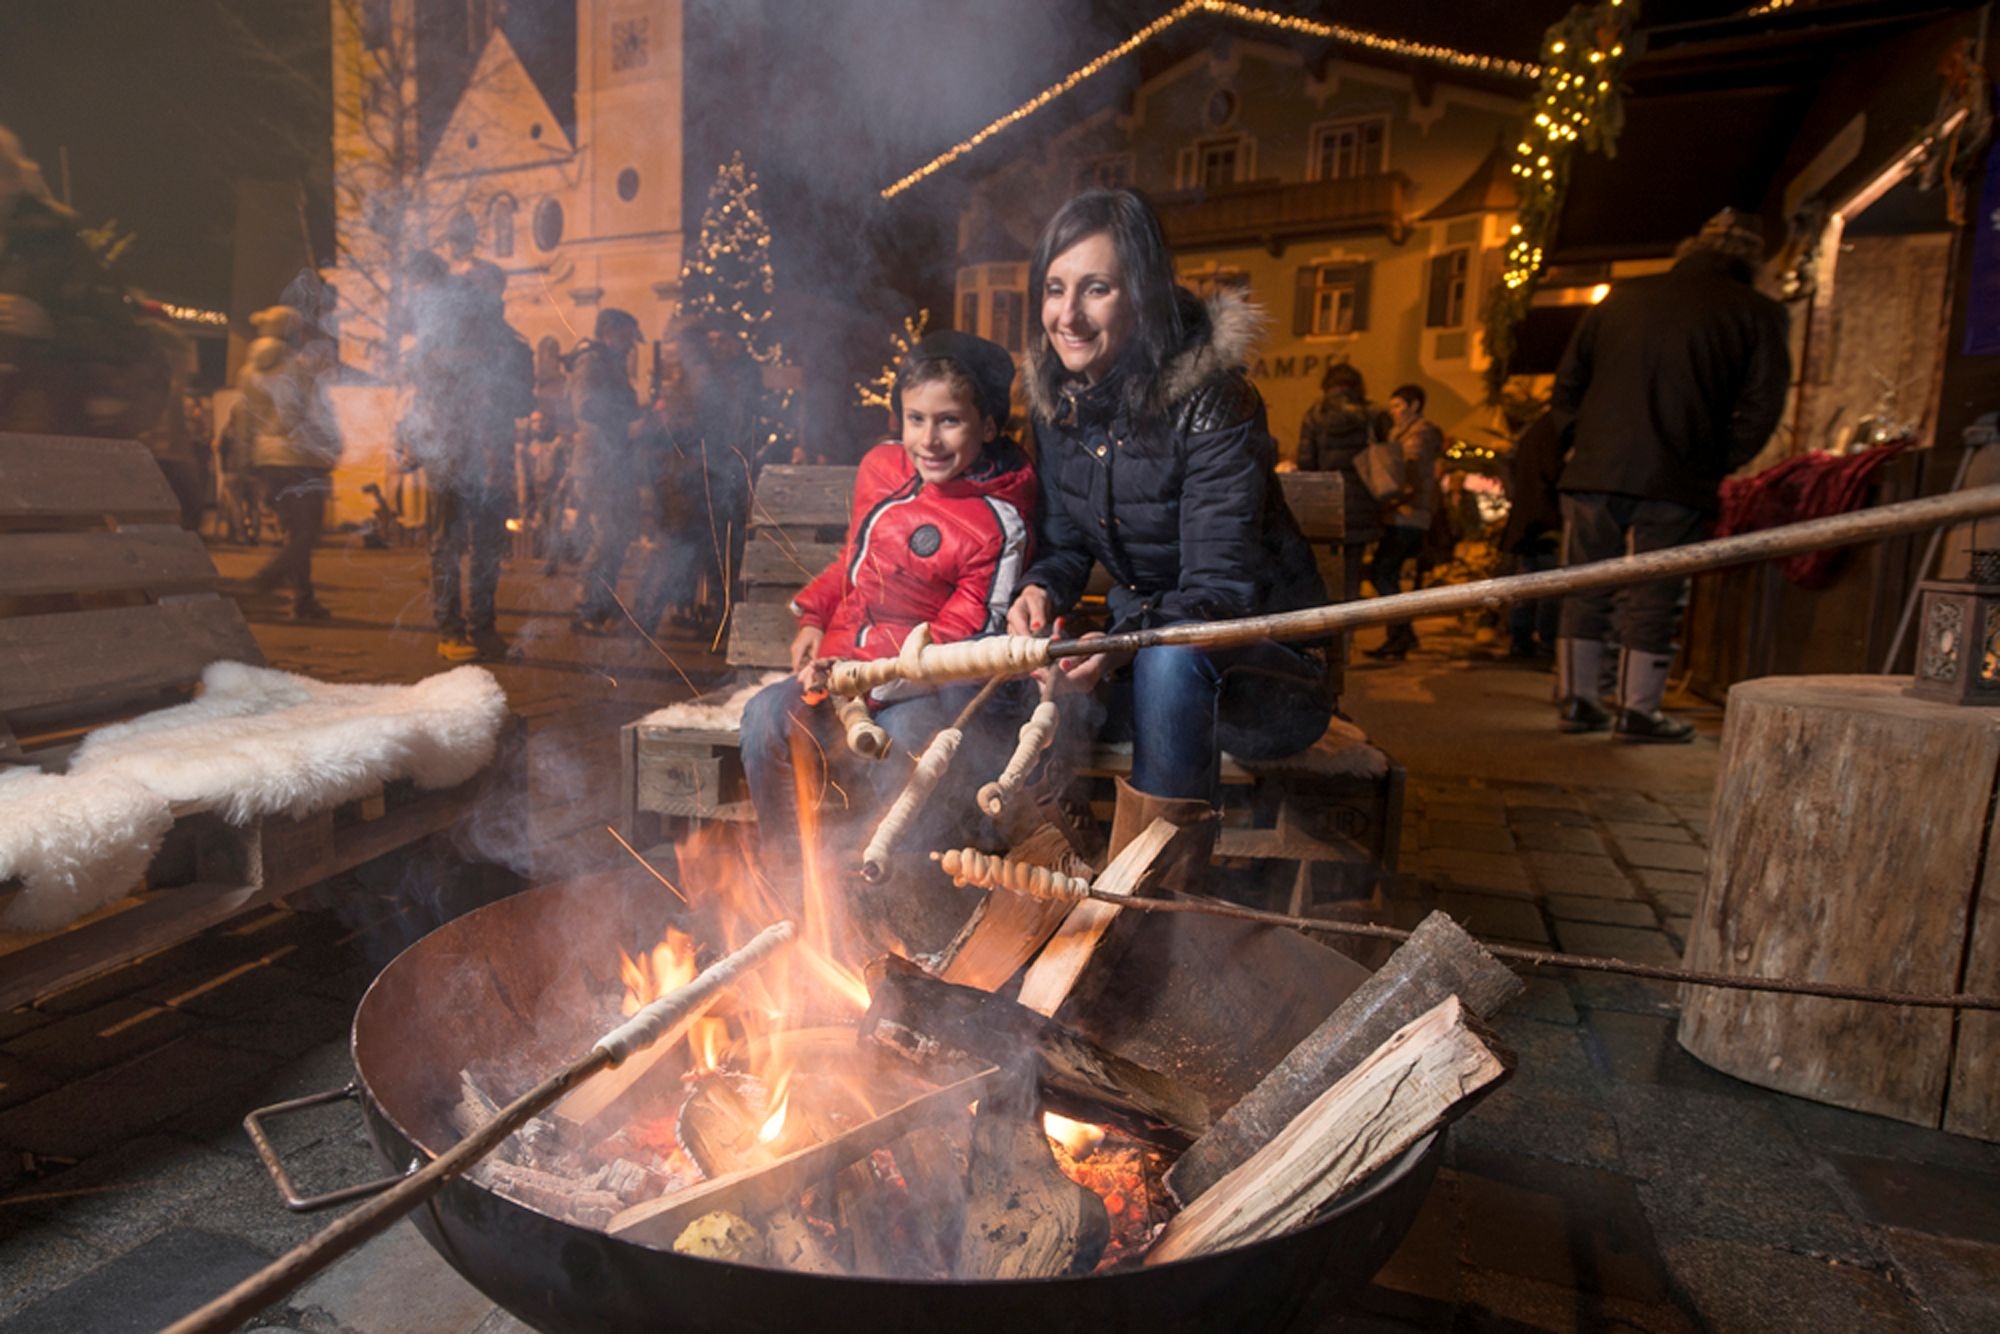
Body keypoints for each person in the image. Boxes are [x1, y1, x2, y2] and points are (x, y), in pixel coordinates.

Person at [1004, 189, 1330, 851]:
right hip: (1145, 653)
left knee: (1172, 659)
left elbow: (1220, 594)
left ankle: (1159, 906)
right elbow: (1067, 544)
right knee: (1012, 668)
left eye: (1096, 289)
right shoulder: (1060, 409)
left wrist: (1114, 648)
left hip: (1264, 673)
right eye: (1054, 289)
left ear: (1143, 294)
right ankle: (1045, 873)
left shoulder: (1213, 402)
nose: (1067, 316)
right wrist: (1040, 590)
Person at [738, 330, 1034, 888]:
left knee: (907, 747)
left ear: (988, 426)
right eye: (915, 419)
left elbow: (966, 628)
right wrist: (815, 615)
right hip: (842, 669)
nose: (929, 440)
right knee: (764, 719)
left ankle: (894, 886)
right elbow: (856, 563)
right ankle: (789, 876)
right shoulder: (883, 470)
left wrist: (873, 679)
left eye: (950, 420)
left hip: (918, 682)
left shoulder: (997, 518)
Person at [1550, 207, 1790, 742]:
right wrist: (1717, 458)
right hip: (1678, 473)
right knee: (1655, 592)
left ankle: (1576, 699)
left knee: (1584, 584)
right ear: (1752, 260)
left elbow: (1567, 386)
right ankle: (1638, 709)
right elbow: (1762, 406)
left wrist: (1579, 442)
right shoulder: (1757, 313)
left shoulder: (1622, 298)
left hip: (1597, 467)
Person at [402, 259, 534, 661]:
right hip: (452, 453)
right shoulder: (437, 342)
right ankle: (450, 630)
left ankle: (484, 627)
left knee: (488, 545)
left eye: (492, 289)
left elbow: (524, 400)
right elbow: (425, 385)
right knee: (448, 542)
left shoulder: (510, 345)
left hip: (491, 452)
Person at [239, 304, 342, 620]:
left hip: (267, 457)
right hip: (298, 457)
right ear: (291, 332)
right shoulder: (297, 367)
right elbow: (307, 414)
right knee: (308, 533)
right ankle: (263, 581)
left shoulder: (248, 371)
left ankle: (304, 599)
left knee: (296, 531)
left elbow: (245, 417)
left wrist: (247, 457)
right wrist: (330, 445)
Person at [567, 308, 647, 632]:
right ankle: (586, 605)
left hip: (614, 464)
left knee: (619, 534)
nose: (630, 345)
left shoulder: (610, 364)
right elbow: (585, 405)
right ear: (609, 331)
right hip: (598, 465)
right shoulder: (592, 363)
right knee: (607, 534)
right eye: (627, 336)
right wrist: (627, 423)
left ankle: (602, 602)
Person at [1293, 362, 1383, 603]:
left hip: (1327, 500)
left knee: (1325, 567)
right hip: (1364, 501)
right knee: (1353, 567)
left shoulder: (1315, 415)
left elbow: (1306, 463)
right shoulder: (1372, 415)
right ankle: (1349, 630)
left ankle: (1330, 628)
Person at [1499, 407, 1565, 659]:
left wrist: (1515, 495)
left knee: (1527, 581)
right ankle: (1545, 640)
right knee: (1547, 584)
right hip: (1546, 518)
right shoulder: (1556, 429)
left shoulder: (1532, 433)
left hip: (1527, 519)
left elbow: (1507, 463)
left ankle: (1521, 638)